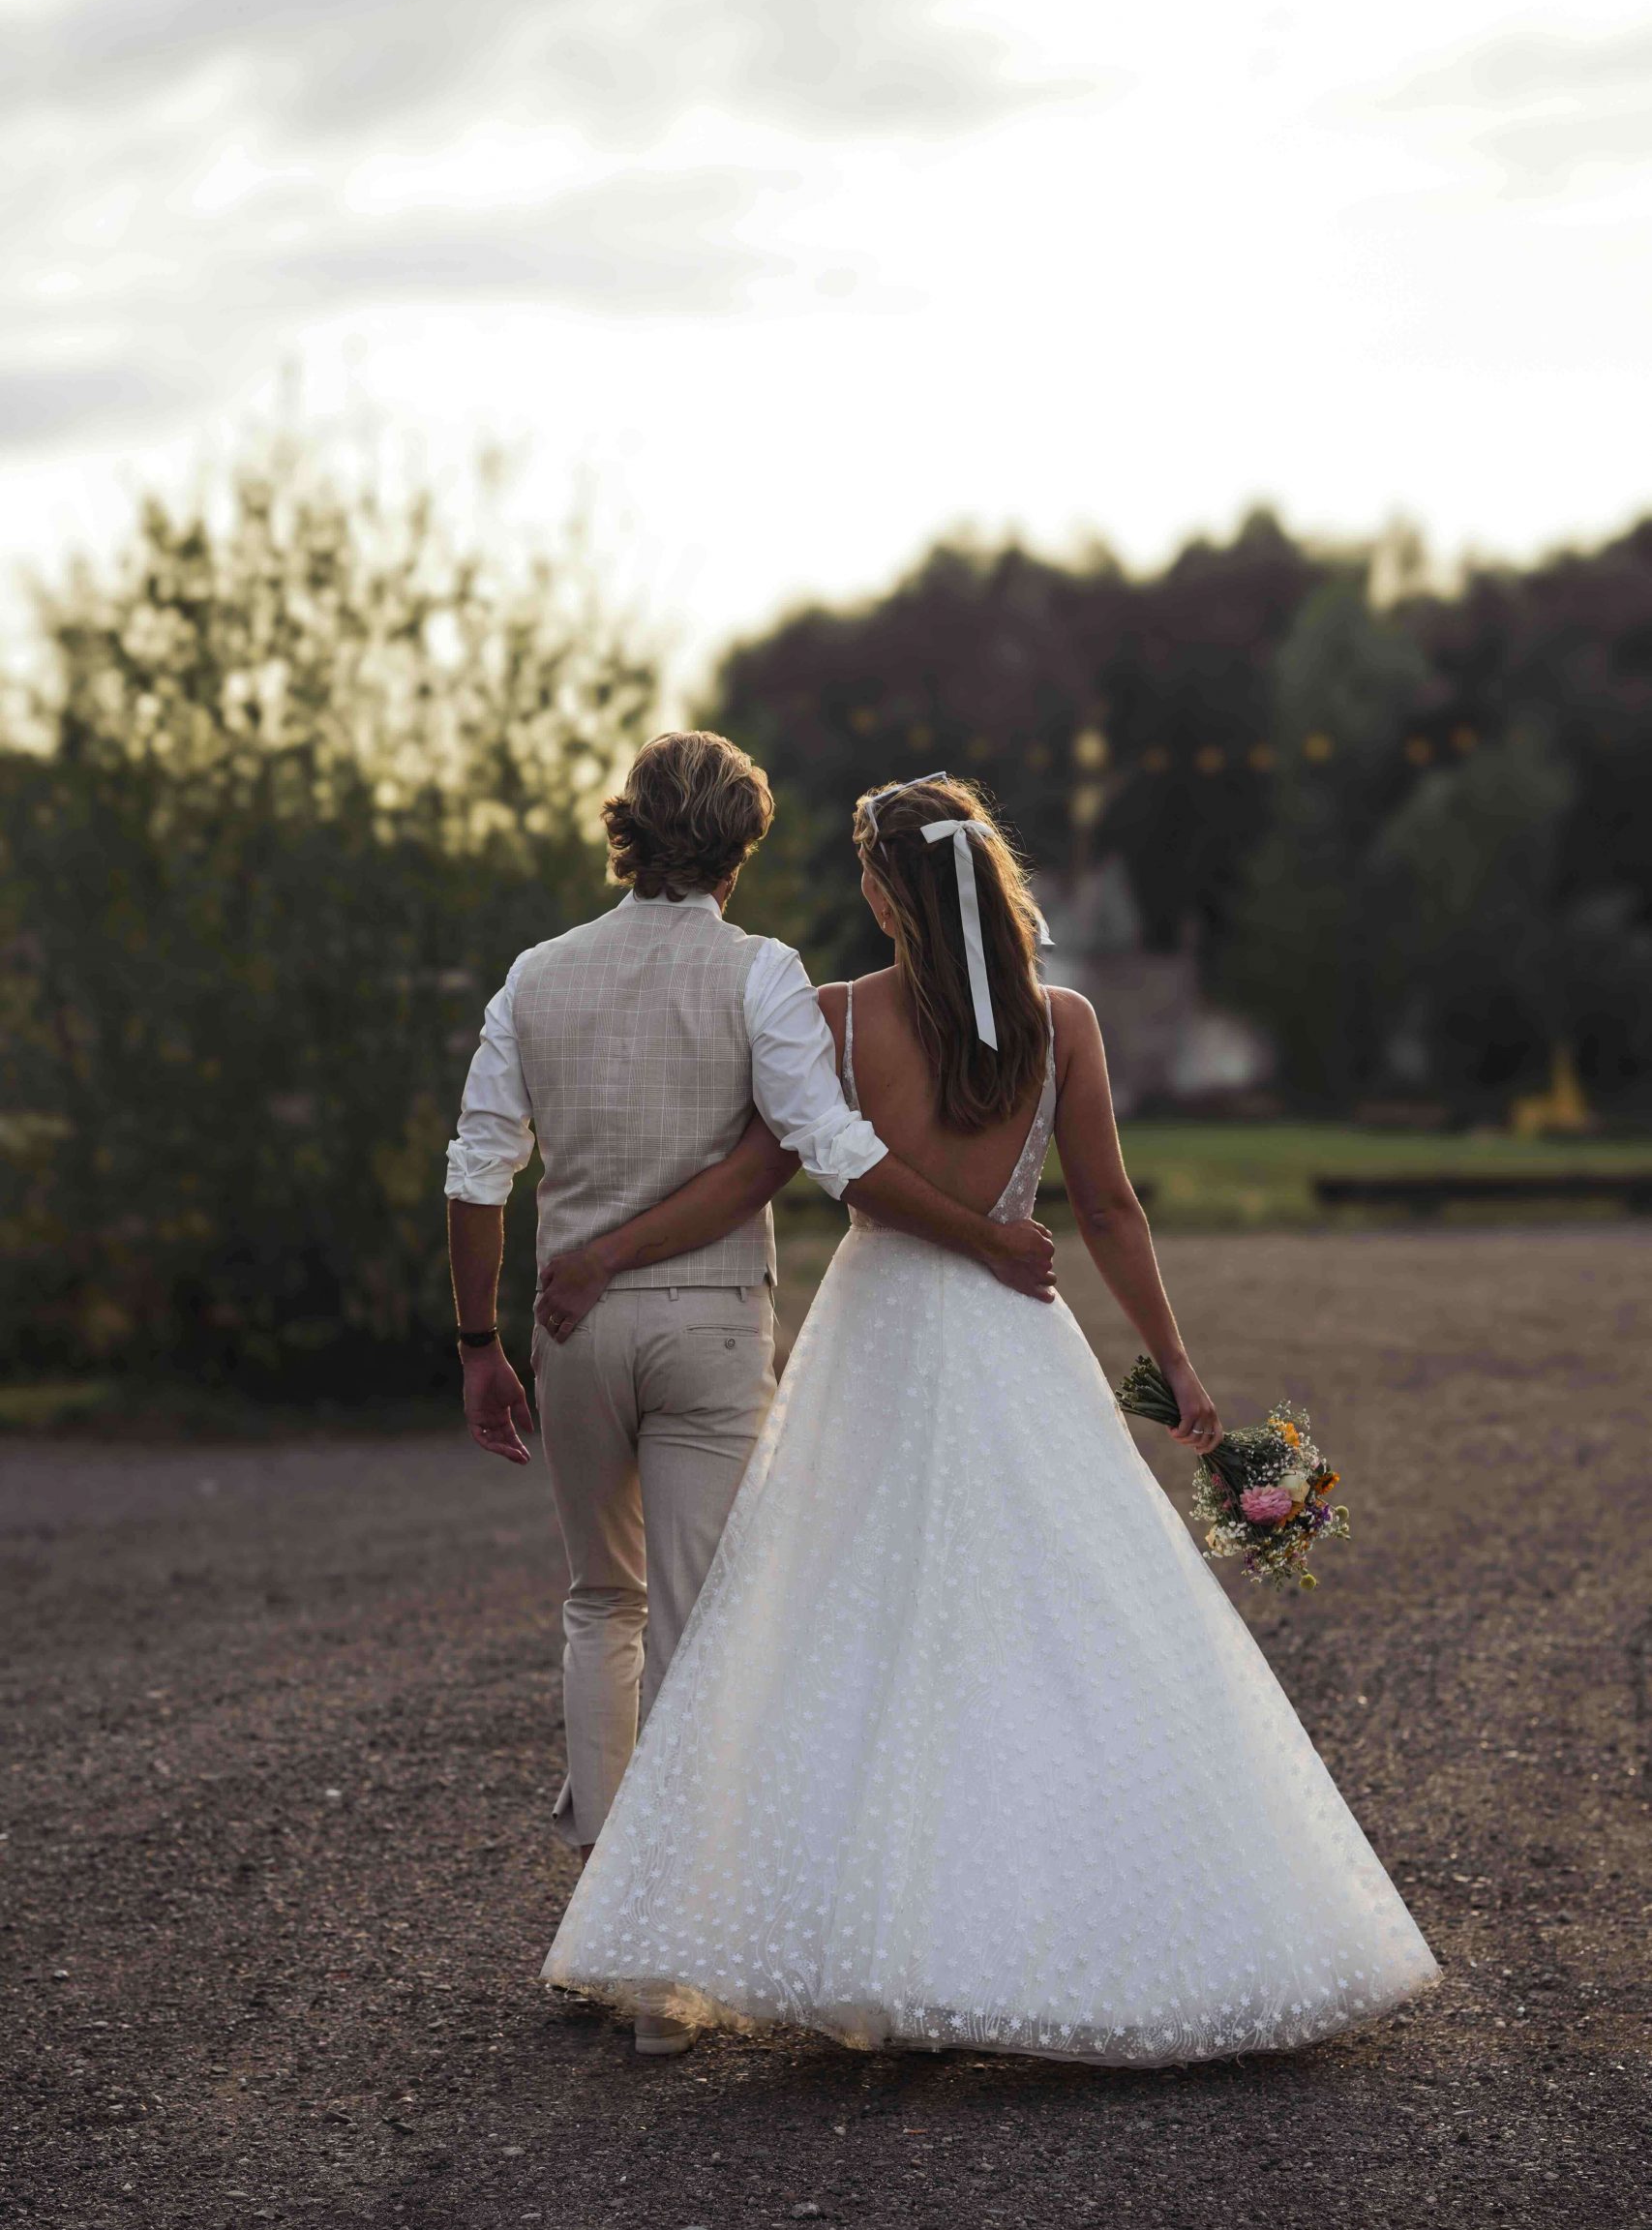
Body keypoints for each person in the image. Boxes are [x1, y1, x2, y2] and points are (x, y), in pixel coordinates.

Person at [542, 772, 1439, 2064]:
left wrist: (606, 1251)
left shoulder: (837, 1019)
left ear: (880, 888)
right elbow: (1112, 1209)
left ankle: (867, 1937)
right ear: (987, 882)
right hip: (1015, 1333)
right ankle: (1062, 1925)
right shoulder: (1061, 1023)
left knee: (844, 1624)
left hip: (878, 1338)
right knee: (1063, 1623)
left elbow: (752, 1175)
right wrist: (1175, 1373)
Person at [444, 734, 1056, 2054]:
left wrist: (476, 1343)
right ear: (740, 849)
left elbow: (477, 1168)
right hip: (710, 1328)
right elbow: (825, 1150)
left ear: (623, 832)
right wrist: (987, 1232)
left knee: (599, 1602)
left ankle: (607, 1923)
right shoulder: (762, 974)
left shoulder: (537, 977)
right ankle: (665, 1971)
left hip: (571, 1331)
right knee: (703, 1624)